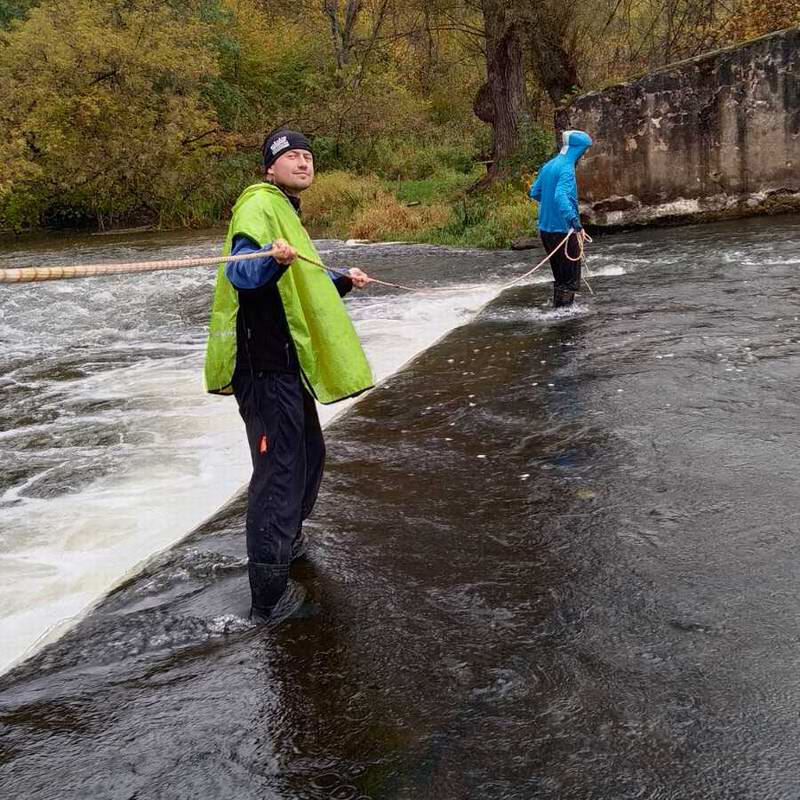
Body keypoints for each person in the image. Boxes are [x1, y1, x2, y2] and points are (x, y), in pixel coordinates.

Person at [204, 129, 374, 624]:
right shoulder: (257, 204)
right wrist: (270, 262)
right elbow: (244, 275)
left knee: (309, 455)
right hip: (262, 363)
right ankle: (267, 598)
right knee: (279, 471)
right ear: (269, 169)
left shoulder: (284, 210)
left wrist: (341, 280)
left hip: (286, 360)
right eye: (290, 157)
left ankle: (289, 540)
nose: (302, 163)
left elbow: (300, 285)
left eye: (307, 156)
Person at [528, 129, 593, 308]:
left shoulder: (549, 165)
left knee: (560, 278)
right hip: (564, 231)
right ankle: (566, 321)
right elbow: (561, 196)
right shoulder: (567, 168)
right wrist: (575, 222)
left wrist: (549, 203)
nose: (584, 154)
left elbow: (534, 192)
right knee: (570, 281)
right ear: (577, 149)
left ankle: (558, 314)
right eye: (585, 150)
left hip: (546, 231)